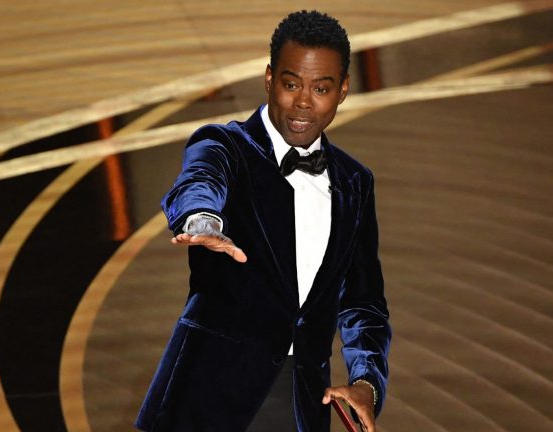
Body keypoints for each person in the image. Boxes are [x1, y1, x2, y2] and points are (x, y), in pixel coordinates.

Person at [135, 10, 391, 432]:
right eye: (291, 84)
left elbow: (363, 303)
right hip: (206, 400)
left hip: (302, 404)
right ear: (270, 79)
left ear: (343, 90)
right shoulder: (225, 145)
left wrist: (367, 382)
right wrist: (202, 221)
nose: (304, 102)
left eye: (321, 88)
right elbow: (200, 180)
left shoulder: (355, 182)